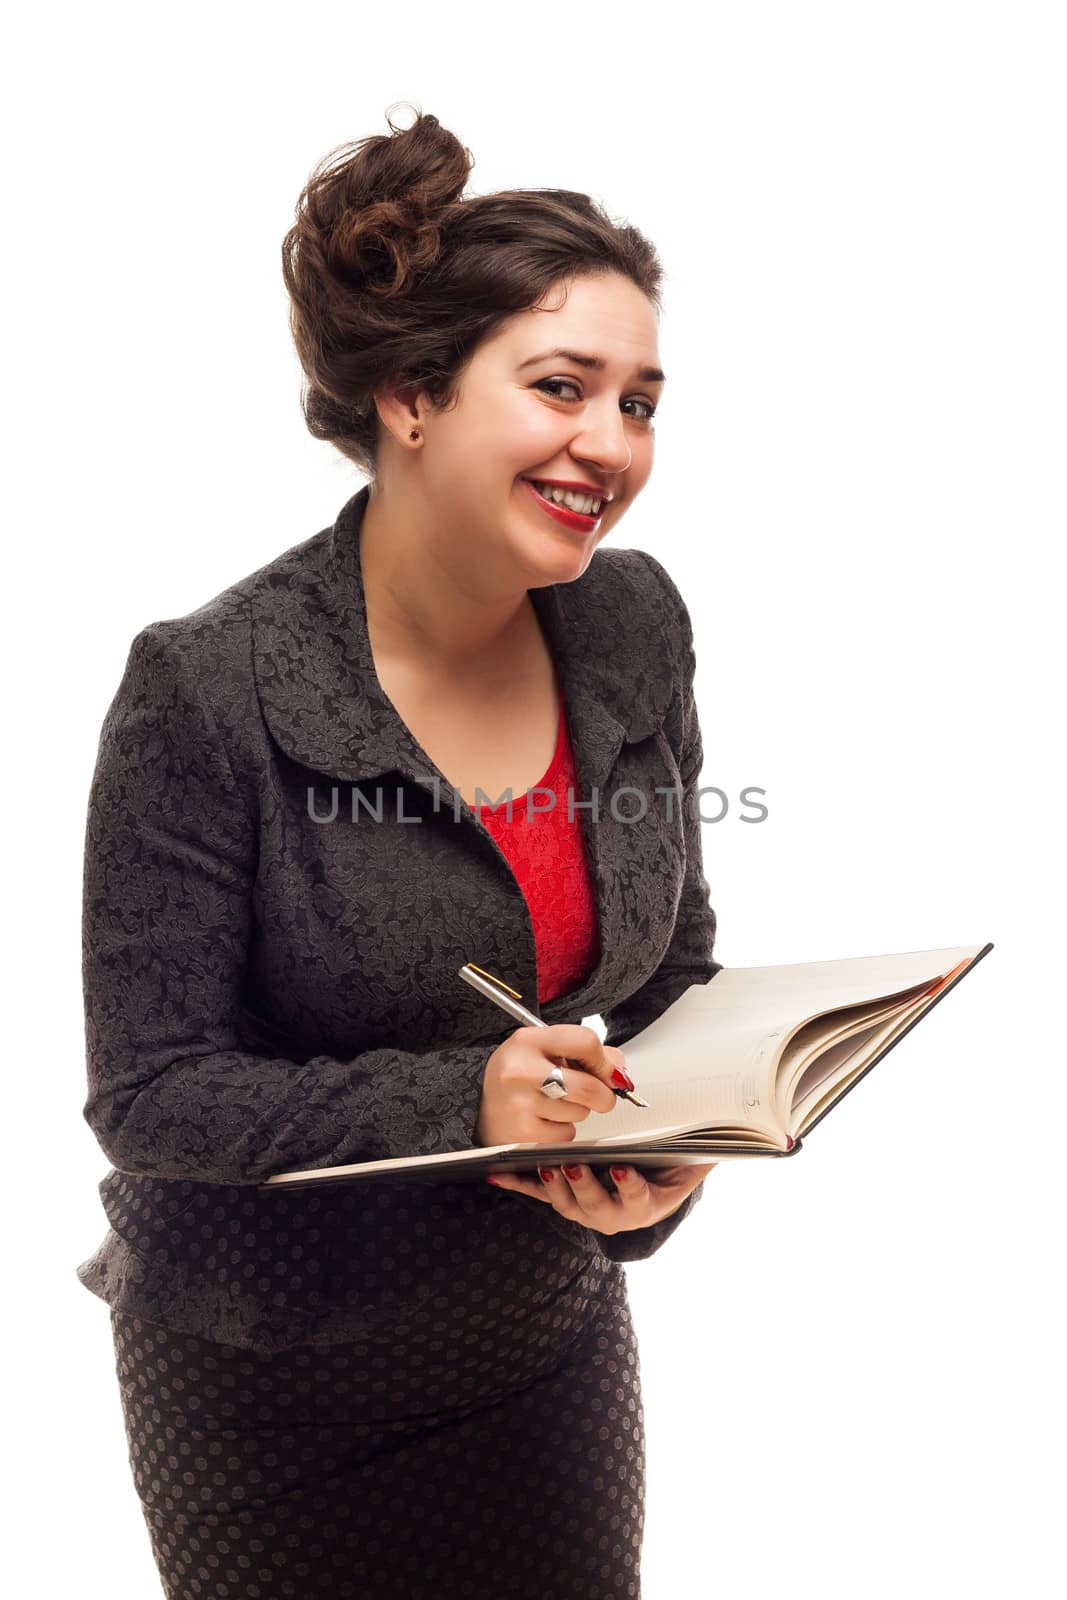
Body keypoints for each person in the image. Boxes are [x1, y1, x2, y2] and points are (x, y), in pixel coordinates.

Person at [76, 105, 722, 1600]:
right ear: (408, 396)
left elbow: (672, 967)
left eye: (640, 401)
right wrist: (466, 1095)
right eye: (563, 386)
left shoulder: (633, 625)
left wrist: (668, 1143)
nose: (610, 444)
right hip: (266, 1381)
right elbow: (151, 1090)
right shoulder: (207, 687)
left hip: (534, 1340)